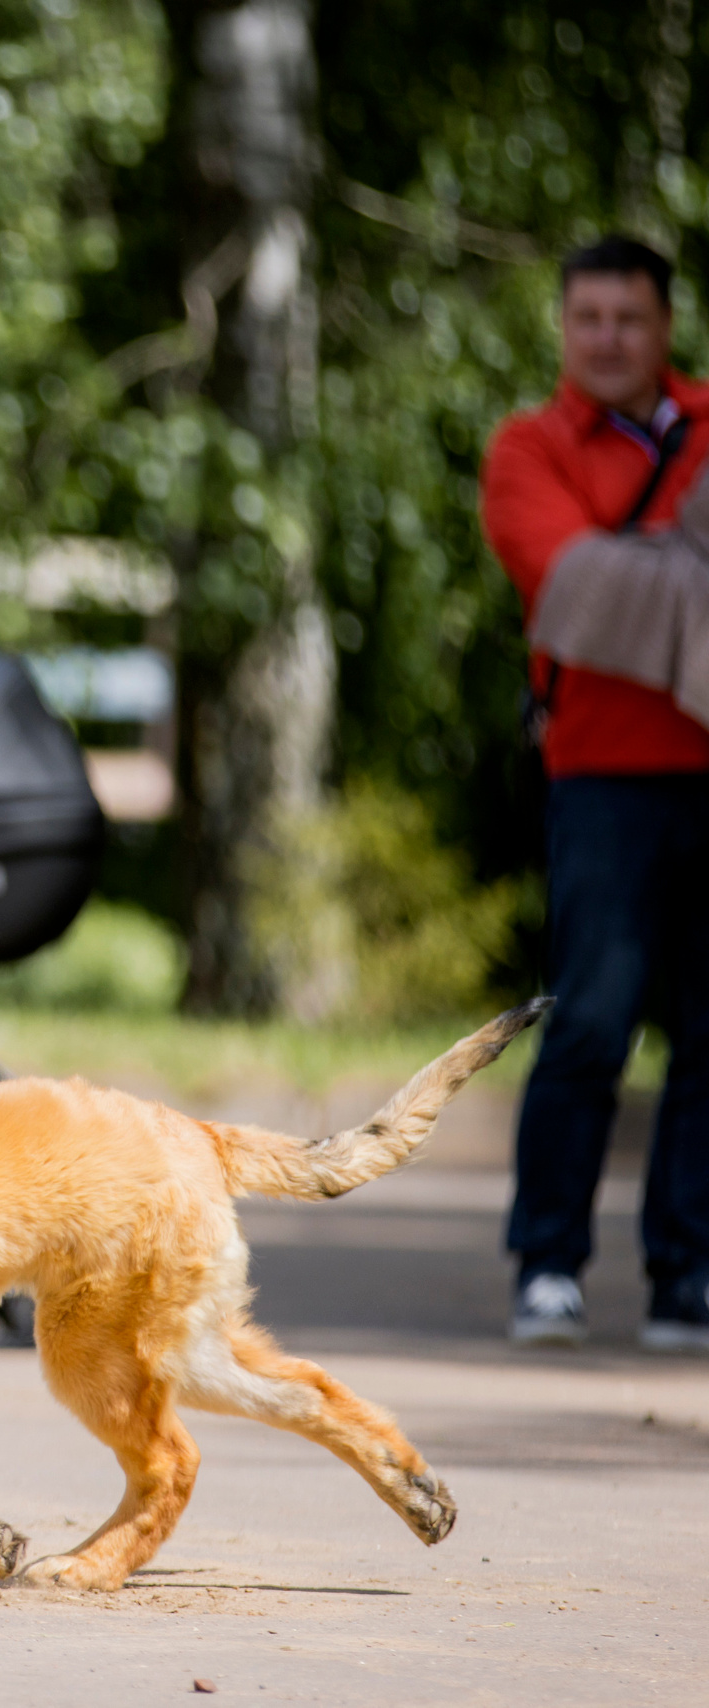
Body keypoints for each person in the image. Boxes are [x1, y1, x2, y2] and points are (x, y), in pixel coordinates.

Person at [480, 232, 709, 1353]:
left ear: (666, 325)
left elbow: (620, 590)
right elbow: (576, 593)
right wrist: (690, 567)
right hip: (600, 776)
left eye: (629, 318)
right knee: (590, 1024)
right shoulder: (527, 448)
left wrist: (643, 570)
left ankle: (688, 1273)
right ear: (564, 328)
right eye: (589, 319)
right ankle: (547, 1265)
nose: (608, 338)